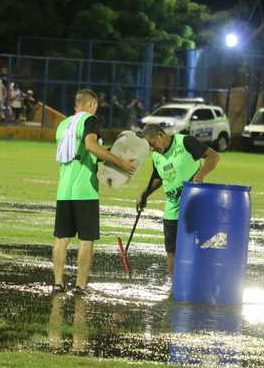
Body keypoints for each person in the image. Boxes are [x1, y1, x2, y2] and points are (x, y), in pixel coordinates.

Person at [53, 89, 137, 293]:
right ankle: (80, 285)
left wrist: (107, 158)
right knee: (86, 240)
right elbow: (90, 146)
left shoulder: (63, 125)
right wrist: (120, 163)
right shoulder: (90, 121)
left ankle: (58, 283)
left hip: (63, 190)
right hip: (85, 191)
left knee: (61, 239)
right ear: (92, 106)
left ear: (76, 105)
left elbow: (81, 151)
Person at [136, 124, 220, 278]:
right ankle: (174, 285)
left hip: (193, 206)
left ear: (161, 135)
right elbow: (157, 178)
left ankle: (196, 281)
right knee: (171, 251)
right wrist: (145, 194)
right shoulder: (156, 156)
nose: (152, 149)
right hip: (171, 209)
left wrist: (200, 175)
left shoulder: (185, 142)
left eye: (152, 144)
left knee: (195, 247)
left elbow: (214, 156)